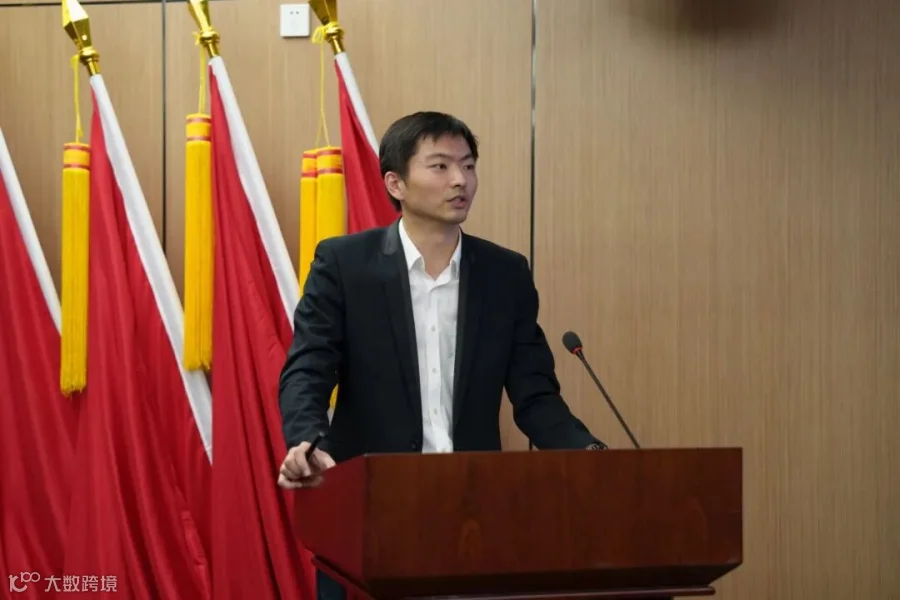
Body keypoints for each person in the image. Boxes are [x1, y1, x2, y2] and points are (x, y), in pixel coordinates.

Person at [277, 111, 605, 600]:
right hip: (371, 505)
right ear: (396, 183)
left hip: (474, 511)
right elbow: (308, 368)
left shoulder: (505, 274)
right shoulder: (345, 265)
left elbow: (536, 397)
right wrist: (307, 439)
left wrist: (590, 455)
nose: (460, 180)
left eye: (468, 166)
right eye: (441, 166)